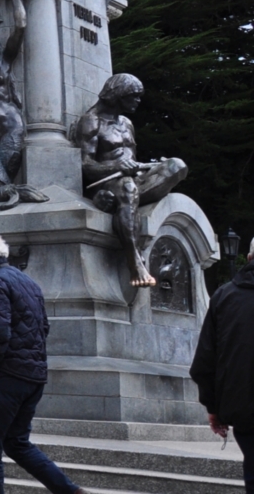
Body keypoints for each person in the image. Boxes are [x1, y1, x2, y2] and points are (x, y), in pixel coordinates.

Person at [0, 228, 89, 494]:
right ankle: (70, 492)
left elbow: (0, 332)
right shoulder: (27, 282)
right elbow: (42, 327)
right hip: (33, 376)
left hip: (7, 376)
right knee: (16, 442)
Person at [75, 73, 188, 286]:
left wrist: (148, 167)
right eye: (134, 96)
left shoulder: (126, 123)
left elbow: (131, 159)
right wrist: (117, 167)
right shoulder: (91, 122)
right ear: (118, 95)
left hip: (133, 179)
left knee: (177, 166)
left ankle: (116, 203)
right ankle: (134, 260)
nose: (138, 101)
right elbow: (84, 164)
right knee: (127, 188)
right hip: (107, 179)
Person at [190, 237, 254, 492]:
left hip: (244, 410)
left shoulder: (224, 296)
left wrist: (213, 406)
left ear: (249, 258)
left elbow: (205, 361)